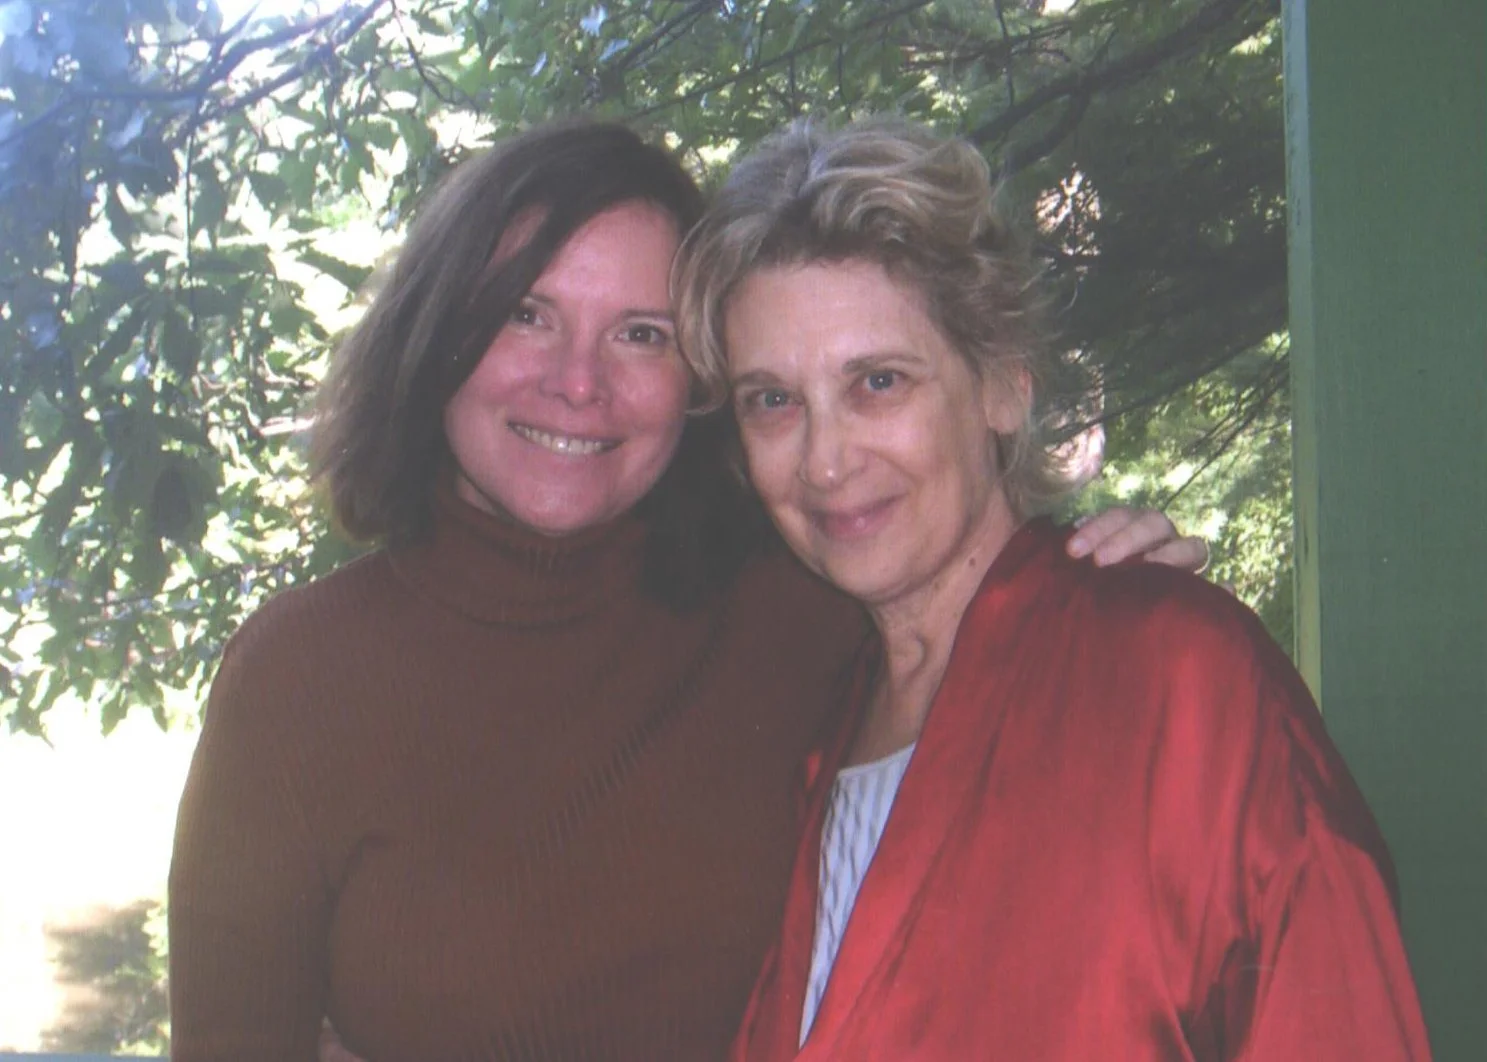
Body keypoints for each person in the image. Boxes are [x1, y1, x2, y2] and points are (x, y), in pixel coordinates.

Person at [167, 119, 1204, 1062]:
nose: (578, 382)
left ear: (700, 380)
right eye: (527, 314)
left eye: (639, 334)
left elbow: (981, 614)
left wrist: (1095, 588)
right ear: (439, 329)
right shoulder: (298, 681)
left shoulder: (802, 615)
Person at [672, 118, 1432, 1060]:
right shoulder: (814, 723)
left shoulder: (1176, 677)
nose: (824, 461)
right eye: (773, 401)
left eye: (877, 381)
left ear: (1001, 387)